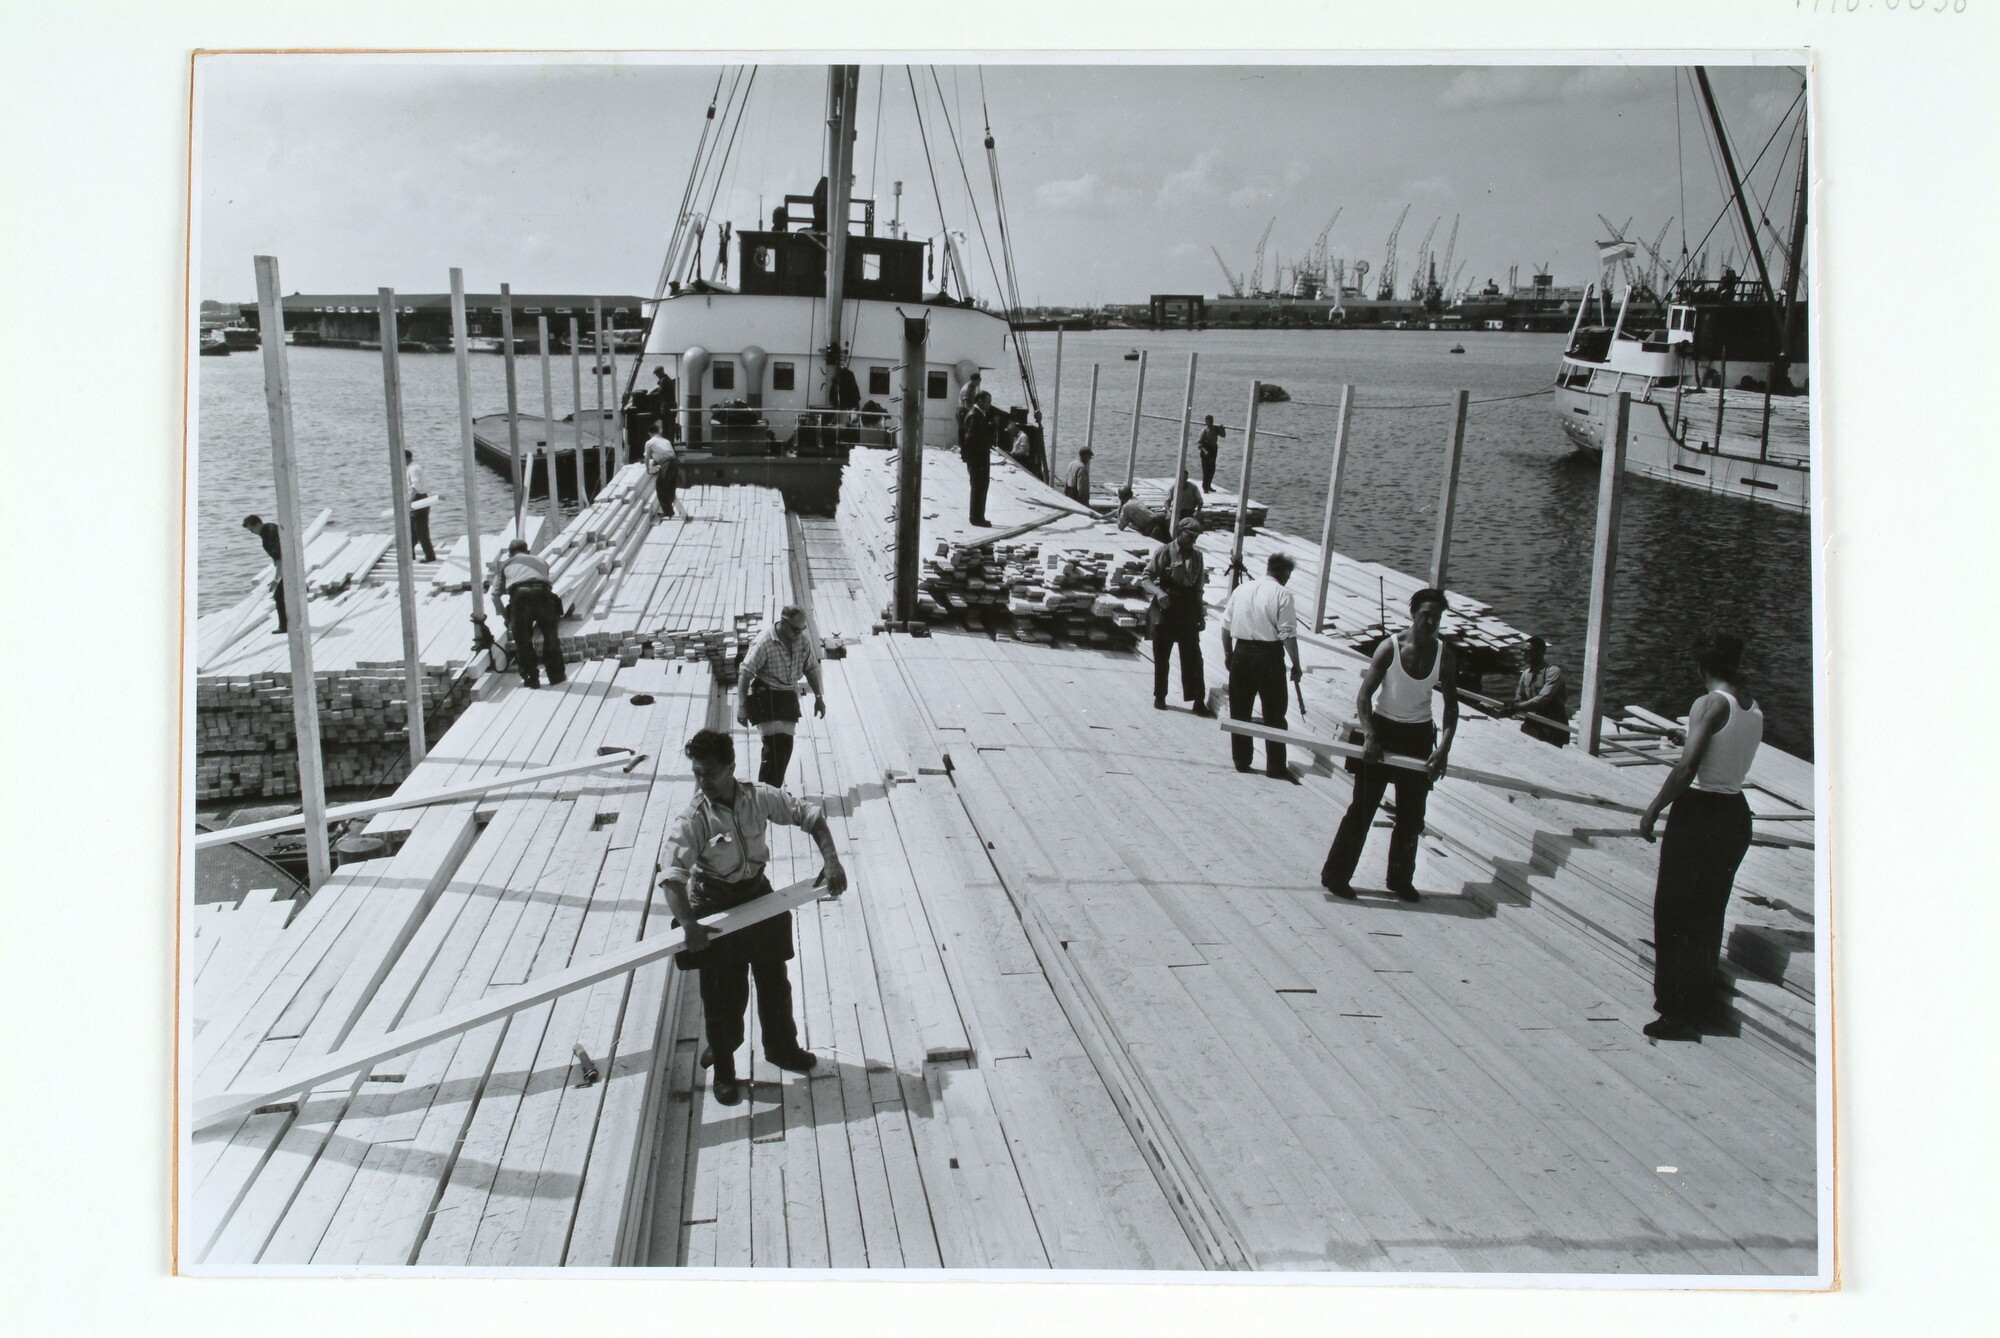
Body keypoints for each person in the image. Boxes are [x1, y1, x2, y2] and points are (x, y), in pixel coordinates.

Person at [659, 728, 847, 1107]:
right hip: (716, 906)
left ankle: (781, 1048)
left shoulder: (758, 797)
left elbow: (809, 815)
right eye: (697, 773)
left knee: (775, 983)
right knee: (724, 995)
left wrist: (831, 860)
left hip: (758, 897)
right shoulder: (694, 818)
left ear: (731, 767)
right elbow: (671, 879)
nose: (703, 781)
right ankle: (725, 1069)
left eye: (709, 773)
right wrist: (691, 926)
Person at [1637, 631, 1764, 1042]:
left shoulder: (1708, 704)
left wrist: (1654, 808)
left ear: (1701, 666)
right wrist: (1688, 737)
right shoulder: (1750, 706)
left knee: (1675, 912)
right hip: (1734, 814)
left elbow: (1688, 769)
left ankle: (1676, 1012)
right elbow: (1721, 752)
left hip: (1701, 813)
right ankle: (1699, 1001)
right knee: (1708, 912)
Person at [1320, 588, 1460, 902]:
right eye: (1425, 615)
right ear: (1413, 614)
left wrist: (1444, 749)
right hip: (1383, 728)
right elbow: (1363, 697)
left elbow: (1451, 707)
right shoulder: (1390, 647)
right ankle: (1336, 876)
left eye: (1436, 617)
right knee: (1362, 810)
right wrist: (1370, 736)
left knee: (1412, 817)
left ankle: (1399, 880)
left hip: (1418, 735)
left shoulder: (1444, 655)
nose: (1430, 622)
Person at [1221, 552, 1304, 781]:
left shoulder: (1242, 590)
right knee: (1275, 713)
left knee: (1239, 710)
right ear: (1284, 573)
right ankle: (1275, 766)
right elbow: (1287, 633)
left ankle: (1241, 760)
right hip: (1268, 656)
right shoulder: (1283, 594)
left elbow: (1226, 627)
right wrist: (1296, 665)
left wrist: (1229, 653)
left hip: (1242, 652)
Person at [737, 605, 826, 787]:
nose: (799, 633)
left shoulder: (801, 641)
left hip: (787, 695)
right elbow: (745, 674)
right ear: (784, 623)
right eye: (795, 630)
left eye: (802, 629)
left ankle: (772, 792)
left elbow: (811, 669)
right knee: (774, 748)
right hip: (766, 694)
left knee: (786, 748)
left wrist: (819, 697)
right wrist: (742, 706)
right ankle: (765, 795)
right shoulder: (764, 642)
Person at [1140, 517, 1214, 716]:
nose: (1193, 541)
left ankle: (1198, 700)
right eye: (1190, 536)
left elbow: (1198, 589)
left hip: (1187, 609)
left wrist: (1200, 615)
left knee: (1193, 658)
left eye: (1196, 537)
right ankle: (1160, 696)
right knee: (1162, 656)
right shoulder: (1165, 552)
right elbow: (1146, 579)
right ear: (1180, 532)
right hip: (1166, 609)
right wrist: (1158, 592)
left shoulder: (1198, 557)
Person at [487, 538, 567, 688]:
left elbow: (495, 596)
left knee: (523, 641)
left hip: (520, 597)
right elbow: (545, 581)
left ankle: (531, 678)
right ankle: (556, 676)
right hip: (543, 593)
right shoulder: (541, 560)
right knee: (551, 637)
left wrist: (507, 618)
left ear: (510, 555)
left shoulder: (505, 564)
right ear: (528, 551)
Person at [1493, 635, 1570, 746]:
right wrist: (1511, 707)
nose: (1523, 655)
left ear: (1540, 652)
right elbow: (1519, 698)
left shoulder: (1552, 672)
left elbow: (1543, 698)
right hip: (1533, 723)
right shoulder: (1525, 674)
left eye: (1527, 651)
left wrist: (1517, 707)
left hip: (1553, 726)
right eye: (1522, 651)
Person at [960, 389, 999, 527]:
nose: (989, 404)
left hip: (979, 458)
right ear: (980, 401)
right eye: (988, 401)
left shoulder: (979, 415)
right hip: (978, 459)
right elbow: (970, 439)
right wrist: (993, 426)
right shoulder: (975, 415)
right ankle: (976, 518)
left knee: (981, 487)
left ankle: (979, 516)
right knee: (978, 487)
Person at [242, 514, 287, 633]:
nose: (252, 532)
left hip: (288, 565)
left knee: (278, 595)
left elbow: (280, 556)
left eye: (252, 529)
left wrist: (277, 579)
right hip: (285, 566)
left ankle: (284, 626)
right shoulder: (265, 533)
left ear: (257, 524)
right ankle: (286, 625)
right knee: (281, 595)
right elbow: (275, 557)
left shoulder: (271, 531)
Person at [403, 449, 437, 562]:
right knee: (412, 530)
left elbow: (415, 486)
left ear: (406, 458)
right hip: (419, 498)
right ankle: (410, 555)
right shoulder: (413, 467)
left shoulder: (413, 469)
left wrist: (409, 500)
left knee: (421, 530)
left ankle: (430, 556)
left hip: (419, 499)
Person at [644, 420, 681, 519]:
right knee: (671, 485)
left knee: (660, 486)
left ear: (649, 433)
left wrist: (648, 469)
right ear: (658, 432)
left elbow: (646, 458)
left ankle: (668, 512)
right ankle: (670, 505)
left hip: (667, 464)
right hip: (675, 462)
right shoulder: (666, 440)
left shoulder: (650, 442)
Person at [1196, 414, 1226, 493]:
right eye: (1209, 421)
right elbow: (1199, 444)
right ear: (1206, 422)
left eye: (1211, 421)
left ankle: (1208, 486)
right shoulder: (1204, 431)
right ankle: (1205, 487)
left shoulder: (1215, 429)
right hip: (1205, 451)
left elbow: (1223, 435)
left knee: (1212, 470)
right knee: (1206, 470)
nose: (1210, 423)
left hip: (1213, 451)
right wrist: (1205, 451)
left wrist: (1222, 429)